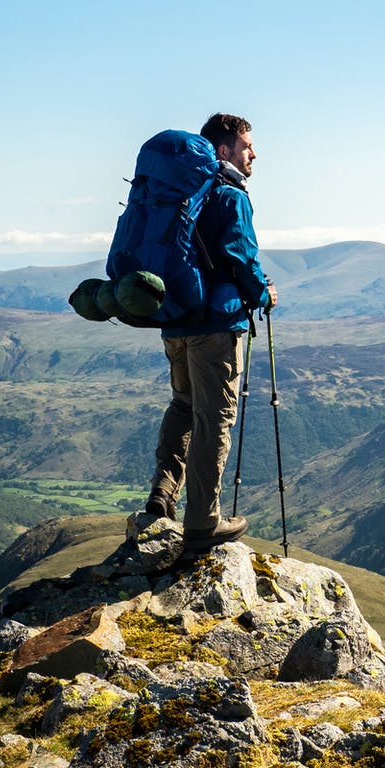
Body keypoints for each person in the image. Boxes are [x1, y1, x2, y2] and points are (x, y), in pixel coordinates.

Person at [135, 111, 277, 564]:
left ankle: (163, 492)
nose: (254, 153)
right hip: (215, 325)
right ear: (223, 149)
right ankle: (202, 522)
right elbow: (240, 254)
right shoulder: (230, 195)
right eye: (247, 145)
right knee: (214, 419)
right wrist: (263, 294)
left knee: (182, 406)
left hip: (175, 320)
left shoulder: (183, 192)